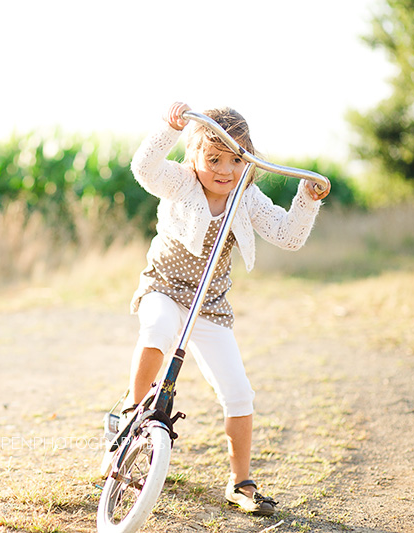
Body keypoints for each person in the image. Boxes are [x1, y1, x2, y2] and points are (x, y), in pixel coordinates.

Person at [119, 102, 330, 516]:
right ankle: (132, 410)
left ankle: (240, 482)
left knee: (239, 393)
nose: (224, 170)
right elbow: (144, 168)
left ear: (248, 161)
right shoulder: (180, 182)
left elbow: (288, 236)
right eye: (213, 158)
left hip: (209, 307)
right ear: (192, 156)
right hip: (165, 287)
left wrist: (306, 199)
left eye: (236, 159)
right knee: (158, 330)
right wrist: (168, 128)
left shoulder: (245, 197)